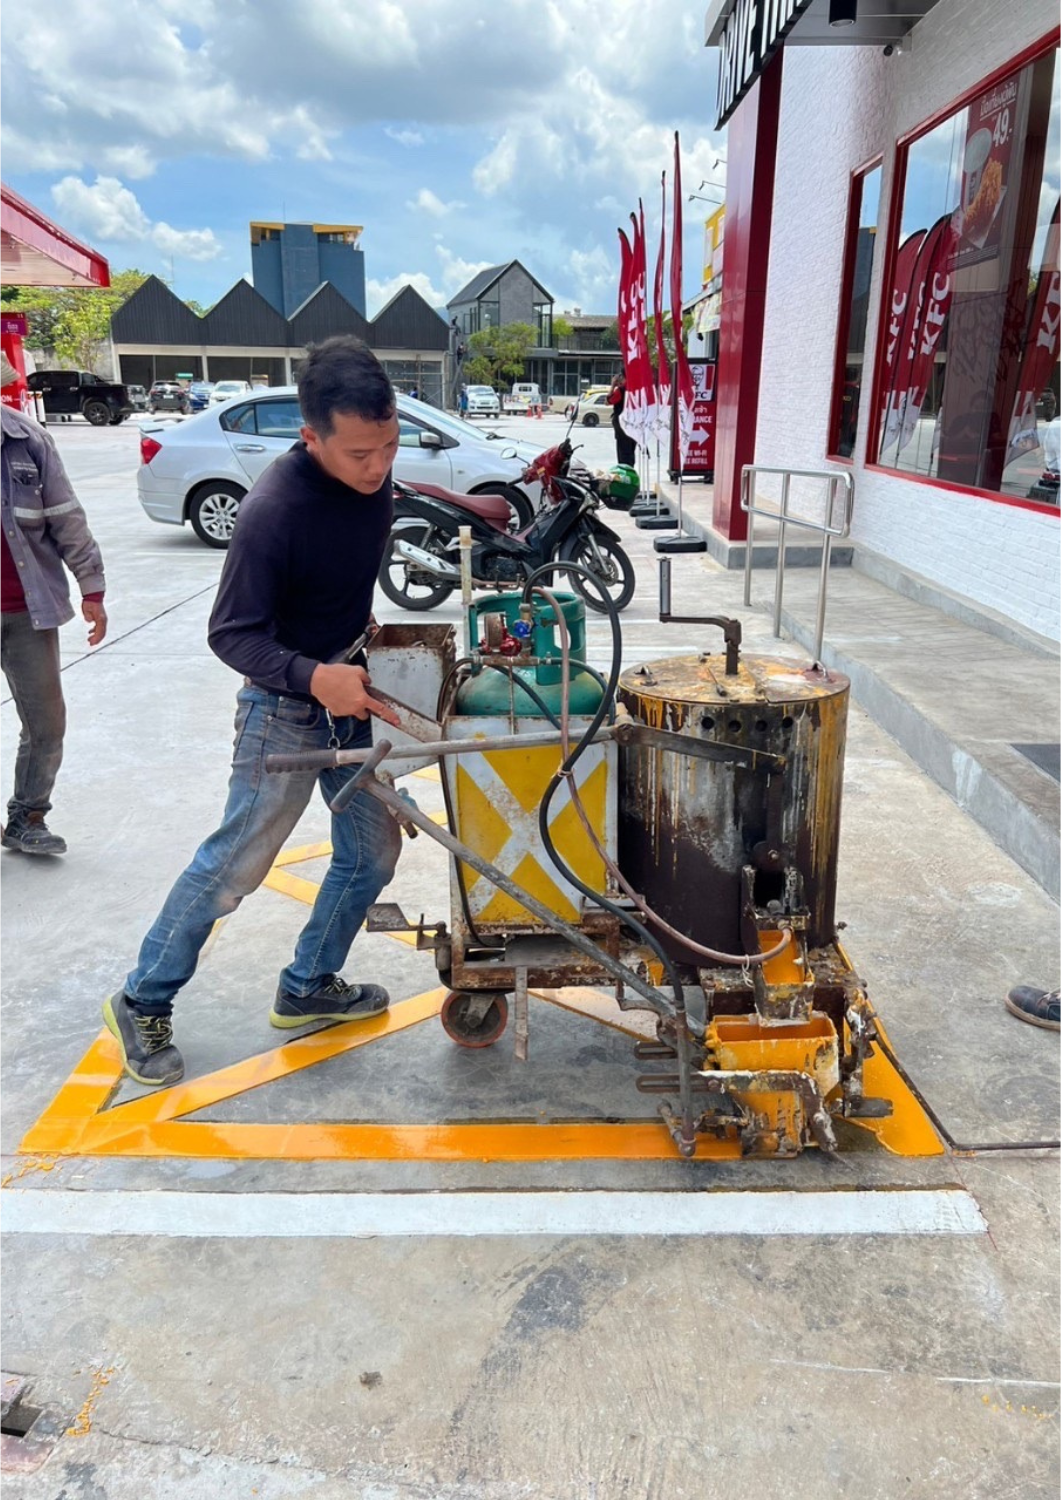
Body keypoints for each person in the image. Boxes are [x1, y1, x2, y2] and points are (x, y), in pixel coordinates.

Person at [103, 336, 404, 1087]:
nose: (377, 467)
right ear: (311, 437)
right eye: (359, 454)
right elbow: (231, 633)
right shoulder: (275, 510)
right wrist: (313, 676)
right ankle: (142, 998)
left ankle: (308, 985)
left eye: (389, 446)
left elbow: (343, 574)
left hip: (348, 693)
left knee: (372, 854)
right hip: (283, 710)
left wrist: (355, 647)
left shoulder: (374, 482)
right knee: (236, 865)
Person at [1, 369, 107, 856]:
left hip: (27, 610)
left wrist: (92, 588)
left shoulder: (28, 441)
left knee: (47, 723)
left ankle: (28, 816)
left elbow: (66, 516)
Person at [608, 373, 637, 468]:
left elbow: (608, 401)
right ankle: (631, 469)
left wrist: (613, 386)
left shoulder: (621, 390)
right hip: (634, 423)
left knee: (623, 452)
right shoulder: (636, 389)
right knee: (631, 450)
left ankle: (625, 472)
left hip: (622, 423)